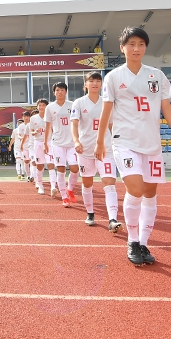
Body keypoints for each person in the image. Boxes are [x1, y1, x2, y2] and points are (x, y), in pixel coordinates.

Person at [96, 26, 171, 266]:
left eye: (141, 44)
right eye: (131, 44)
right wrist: (101, 141)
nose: (136, 48)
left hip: (152, 144)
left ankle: (144, 242)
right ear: (122, 48)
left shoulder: (157, 76)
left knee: (151, 194)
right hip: (125, 142)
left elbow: (167, 110)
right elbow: (106, 112)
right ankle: (132, 240)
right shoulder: (113, 77)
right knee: (134, 189)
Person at [72, 72, 122, 230]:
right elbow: (73, 125)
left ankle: (112, 219)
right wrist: (76, 141)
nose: (95, 83)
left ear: (101, 84)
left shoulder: (107, 103)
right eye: (91, 81)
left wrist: (117, 141)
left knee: (109, 183)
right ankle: (90, 213)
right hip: (85, 150)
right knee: (87, 183)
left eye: (98, 81)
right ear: (85, 84)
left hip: (105, 150)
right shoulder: (79, 103)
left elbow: (112, 125)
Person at [44, 82, 79, 207]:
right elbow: (47, 126)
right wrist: (45, 142)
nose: (60, 92)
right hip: (57, 143)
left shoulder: (72, 105)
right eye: (57, 90)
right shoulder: (50, 107)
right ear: (54, 92)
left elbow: (77, 122)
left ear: (66, 92)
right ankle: (64, 196)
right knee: (61, 169)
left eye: (62, 90)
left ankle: (70, 189)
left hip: (71, 143)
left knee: (75, 169)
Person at [30, 99, 56, 195]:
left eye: (43, 105)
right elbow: (32, 132)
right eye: (39, 105)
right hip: (38, 143)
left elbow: (54, 130)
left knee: (50, 164)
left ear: (47, 106)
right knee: (40, 166)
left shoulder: (51, 117)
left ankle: (53, 186)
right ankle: (40, 185)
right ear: (37, 107)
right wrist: (35, 131)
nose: (41, 107)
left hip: (49, 143)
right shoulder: (33, 118)